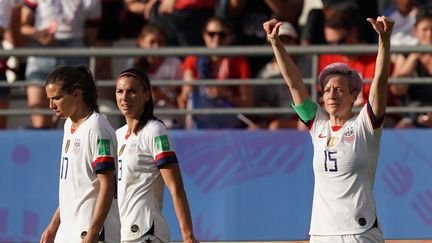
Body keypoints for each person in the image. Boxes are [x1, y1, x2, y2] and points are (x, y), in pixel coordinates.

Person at [263, 14, 393, 243]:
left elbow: (380, 82)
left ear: (354, 95)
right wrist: (276, 43)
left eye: (340, 89)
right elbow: (294, 83)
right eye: (327, 90)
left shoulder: (365, 125)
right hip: (321, 234)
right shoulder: (318, 125)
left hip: (360, 233)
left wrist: (384, 40)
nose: (332, 94)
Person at [115, 68, 199, 243]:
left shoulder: (155, 130)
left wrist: (188, 234)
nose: (124, 97)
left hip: (146, 232)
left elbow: (176, 187)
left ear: (147, 95)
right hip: (120, 234)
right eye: (120, 91)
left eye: (132, 91)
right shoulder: (117, 135)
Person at [40, 65, 120, 243]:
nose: (51, 105)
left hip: (90, 232)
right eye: (49, 99)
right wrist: (54, 224)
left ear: (77, 94)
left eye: (57, 98)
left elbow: (107, 187)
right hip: (69, 230)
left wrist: (93, 233)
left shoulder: (97, 128)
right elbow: (75, 187)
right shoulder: (69, 124)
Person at [20, 0, 101, 129]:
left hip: (74, 51)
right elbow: (22, 26)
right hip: (41, 51)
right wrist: (37, 33)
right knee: (40, 121)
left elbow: (91, 37)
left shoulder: (91, 2)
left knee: (76, 120)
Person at [177, 16, 252, 129]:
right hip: (198, 124)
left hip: (228, 125)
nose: (216, 38)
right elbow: (182, 103)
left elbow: (248, 103)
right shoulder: (193, 60)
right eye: (211, 34)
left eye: (222, 35)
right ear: (204, 35)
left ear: (230, 37)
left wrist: (226, 94)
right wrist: (188, 92)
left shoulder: (239, 62)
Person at [132, 21, 184, 129]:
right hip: (142, 122)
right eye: (152, 42)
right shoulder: (133, 64)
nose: (156, 46)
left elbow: (182, 98)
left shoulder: (174, 63)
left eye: (160, 42)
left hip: (170, 122)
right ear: (141, 42)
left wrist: (163, 97)